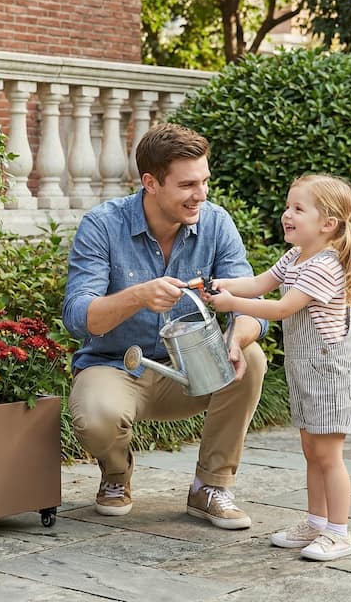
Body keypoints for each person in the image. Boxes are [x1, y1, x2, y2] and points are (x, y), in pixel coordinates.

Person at [62, 122, 268, 528]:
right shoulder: (103, 225)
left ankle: (210, 487)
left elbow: (252, 304)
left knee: (251, 357)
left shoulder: (216, 223)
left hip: (195, 370)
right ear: (151, 183)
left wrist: (238, 335)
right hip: (116, 366)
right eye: (188, 185)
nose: (201, 195)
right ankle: (116, 475)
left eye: (205, 181)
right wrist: (138, 295)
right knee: (94, 416)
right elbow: (77, 316)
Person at [203, 173, 351, 561]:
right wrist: (213, 284)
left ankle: (340, 533)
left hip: (331, 374)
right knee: (312, 451)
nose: (286, 214)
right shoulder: (296, 256)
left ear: (327, 224)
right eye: (287, 206)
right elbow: (259, 284)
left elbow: (280, 308)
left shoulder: (325, 264)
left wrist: (230, 305)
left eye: (298, 208)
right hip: (306, 371)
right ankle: (316, 522)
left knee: (329, 456)